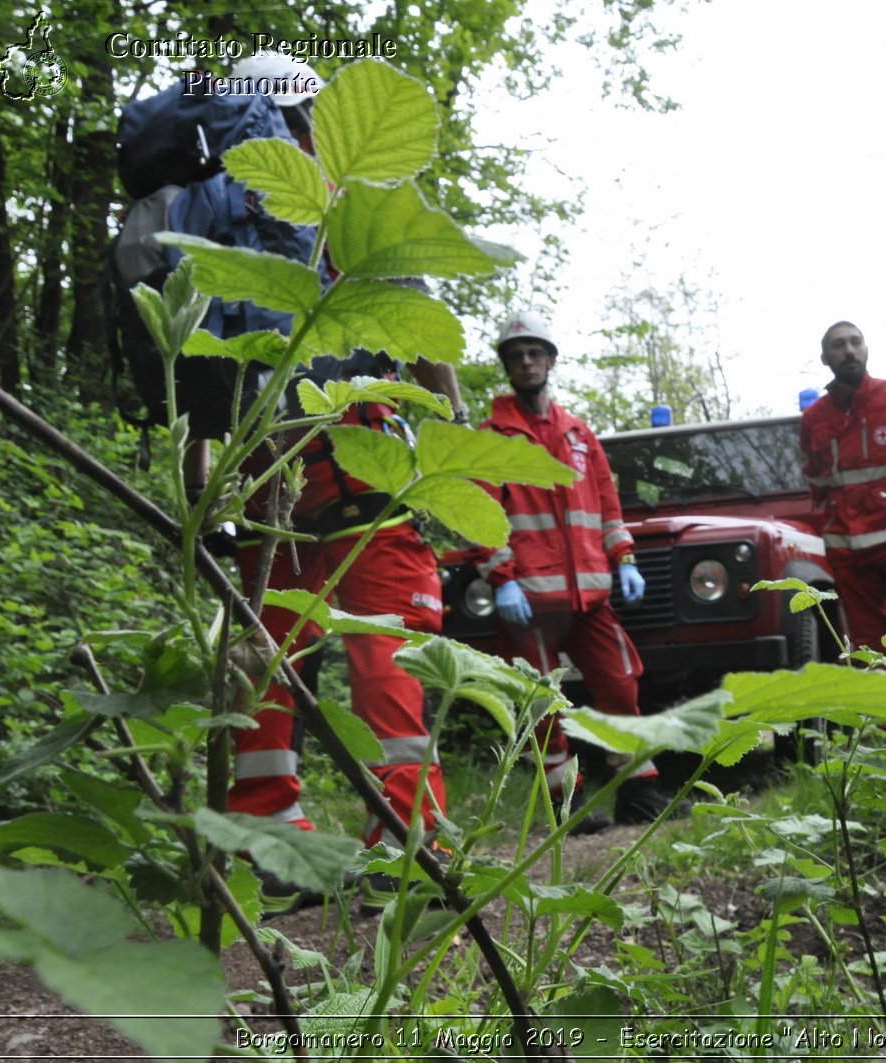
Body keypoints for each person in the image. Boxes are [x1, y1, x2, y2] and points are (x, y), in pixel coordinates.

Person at [223, 58, 459, 897]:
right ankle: (408, 839)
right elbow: (427, 337)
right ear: (315, 114)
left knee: (267, 652)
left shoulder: (218, 202)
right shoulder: (355, 206)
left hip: (258, 464)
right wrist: (450, 450)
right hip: (355, 459)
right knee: (385, 653)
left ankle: (268, 842)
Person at [474, 312, 673, 828]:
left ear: (551, 360)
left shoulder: (579, 434)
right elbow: (477, 517)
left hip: (590, 594)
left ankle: (637, 789)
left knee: (621, 684)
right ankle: (566, 803)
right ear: (507, 366)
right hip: (529, 598)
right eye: (516, 355)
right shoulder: (491, 438)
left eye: (534, 353)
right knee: (540, 704)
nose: (526, 362)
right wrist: (502, 578)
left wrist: (624, 559)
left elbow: (607, 507)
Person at [799, 321, 886, 660]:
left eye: (855, 342)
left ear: (866, 349)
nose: (848, 350)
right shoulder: (814, 418)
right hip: (847, 550)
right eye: (838, 344)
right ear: (824, 357)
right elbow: (815, 481)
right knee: (870, 648)